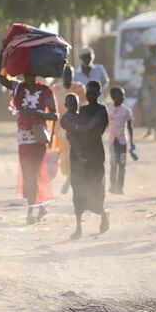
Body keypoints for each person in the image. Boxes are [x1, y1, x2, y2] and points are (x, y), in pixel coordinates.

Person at [0, 58, 58, 224]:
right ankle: (40, 206)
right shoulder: (18, 88)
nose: (28, 77)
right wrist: (3, 51)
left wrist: (36, 113)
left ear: (35, 74)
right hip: (23, 137)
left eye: (31, 74)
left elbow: (54, 115)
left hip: (39, 136)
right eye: (25, 74)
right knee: (28, 171)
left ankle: (31, 210)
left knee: (33, 171)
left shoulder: (45, 91)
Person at [62, 81, 109, 239]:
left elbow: (88, 127)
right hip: (79, 155)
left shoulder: (102, 110)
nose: (91, 96)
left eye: (94, 94)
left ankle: (103, 214)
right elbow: (65, 122)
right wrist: (73, 127)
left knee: (96, 188)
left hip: (95, 154)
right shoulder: (82, 110)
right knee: (78, 189)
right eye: (88, 94)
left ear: (99, 94)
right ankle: (78, 227)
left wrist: (74, 127)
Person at [107, 87, 134, 194]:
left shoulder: (126, 111)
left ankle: (120, 187)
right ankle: (112, 186)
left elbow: (130, 127)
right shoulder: (108, 110)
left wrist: (132, 142)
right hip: (112, 141)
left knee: (122, 164)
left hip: (123, 141)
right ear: (114, 97)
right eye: (120, 95)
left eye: (123, 95)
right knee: (113, 163)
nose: (123, 98)